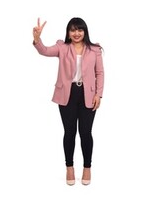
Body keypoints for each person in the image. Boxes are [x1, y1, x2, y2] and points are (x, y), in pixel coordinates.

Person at [32, 17, 104, 186]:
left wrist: (98, 95)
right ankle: (69, 167)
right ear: (68, 33)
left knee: (86, 133)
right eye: (72, 30)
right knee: (69, 132)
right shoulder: (62, 47)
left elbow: (100, 73)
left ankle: (87, 167)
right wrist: (37, 38)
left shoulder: (95, 50)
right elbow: (44, 50)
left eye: (79, 30)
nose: (76, 33)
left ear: (85, 31)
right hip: (67, 95)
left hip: (88, 95)